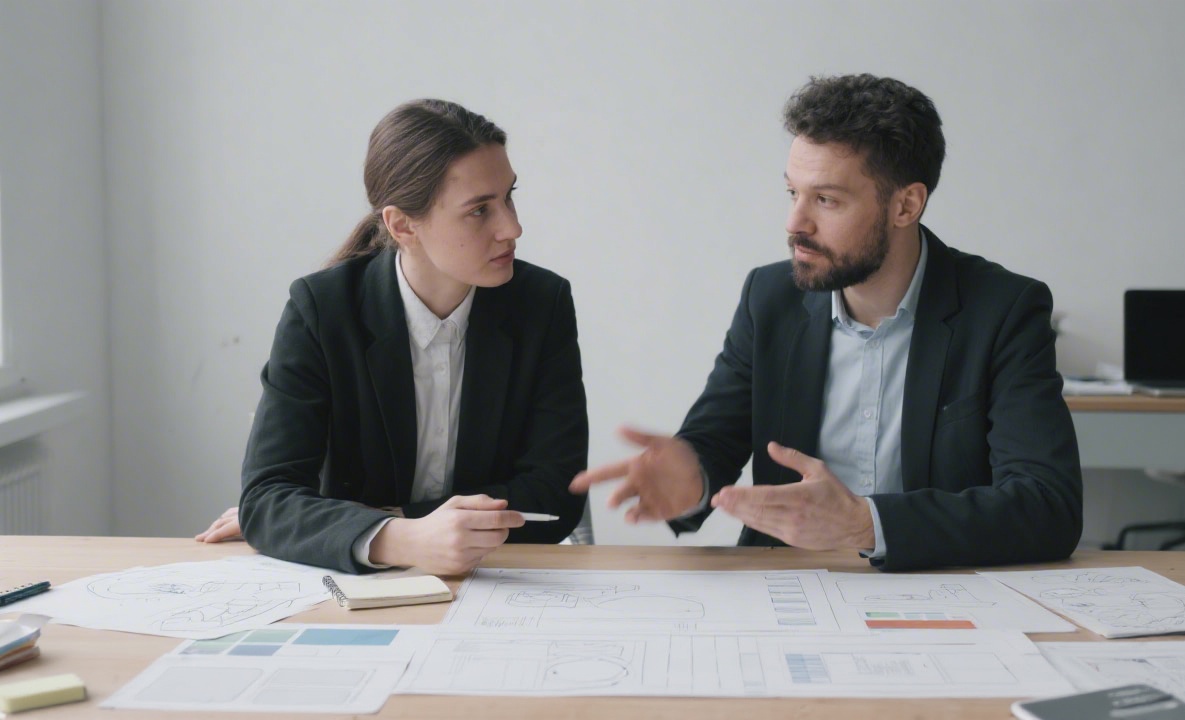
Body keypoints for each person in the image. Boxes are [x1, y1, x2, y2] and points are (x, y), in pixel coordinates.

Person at [570, 74, 1082, 571]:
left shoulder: (1003, 309)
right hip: (785, 588)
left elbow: (1047, 506)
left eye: (826, 200)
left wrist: (867, 525)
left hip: (936, 588)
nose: (795, 224)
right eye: (792, 192)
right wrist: (694, 482)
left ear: (906, 204)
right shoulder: (769, 298)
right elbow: (713, 444)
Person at [196, 99, 588, 575]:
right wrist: (402, 540)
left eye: (509, 196)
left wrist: (385, 526)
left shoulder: (541, 304)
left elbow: (554, 498)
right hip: (358, 593)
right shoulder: (322, 310)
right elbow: (267, 499)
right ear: (402, 225)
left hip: (496, 584)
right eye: (480, 210)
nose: (513, 226)